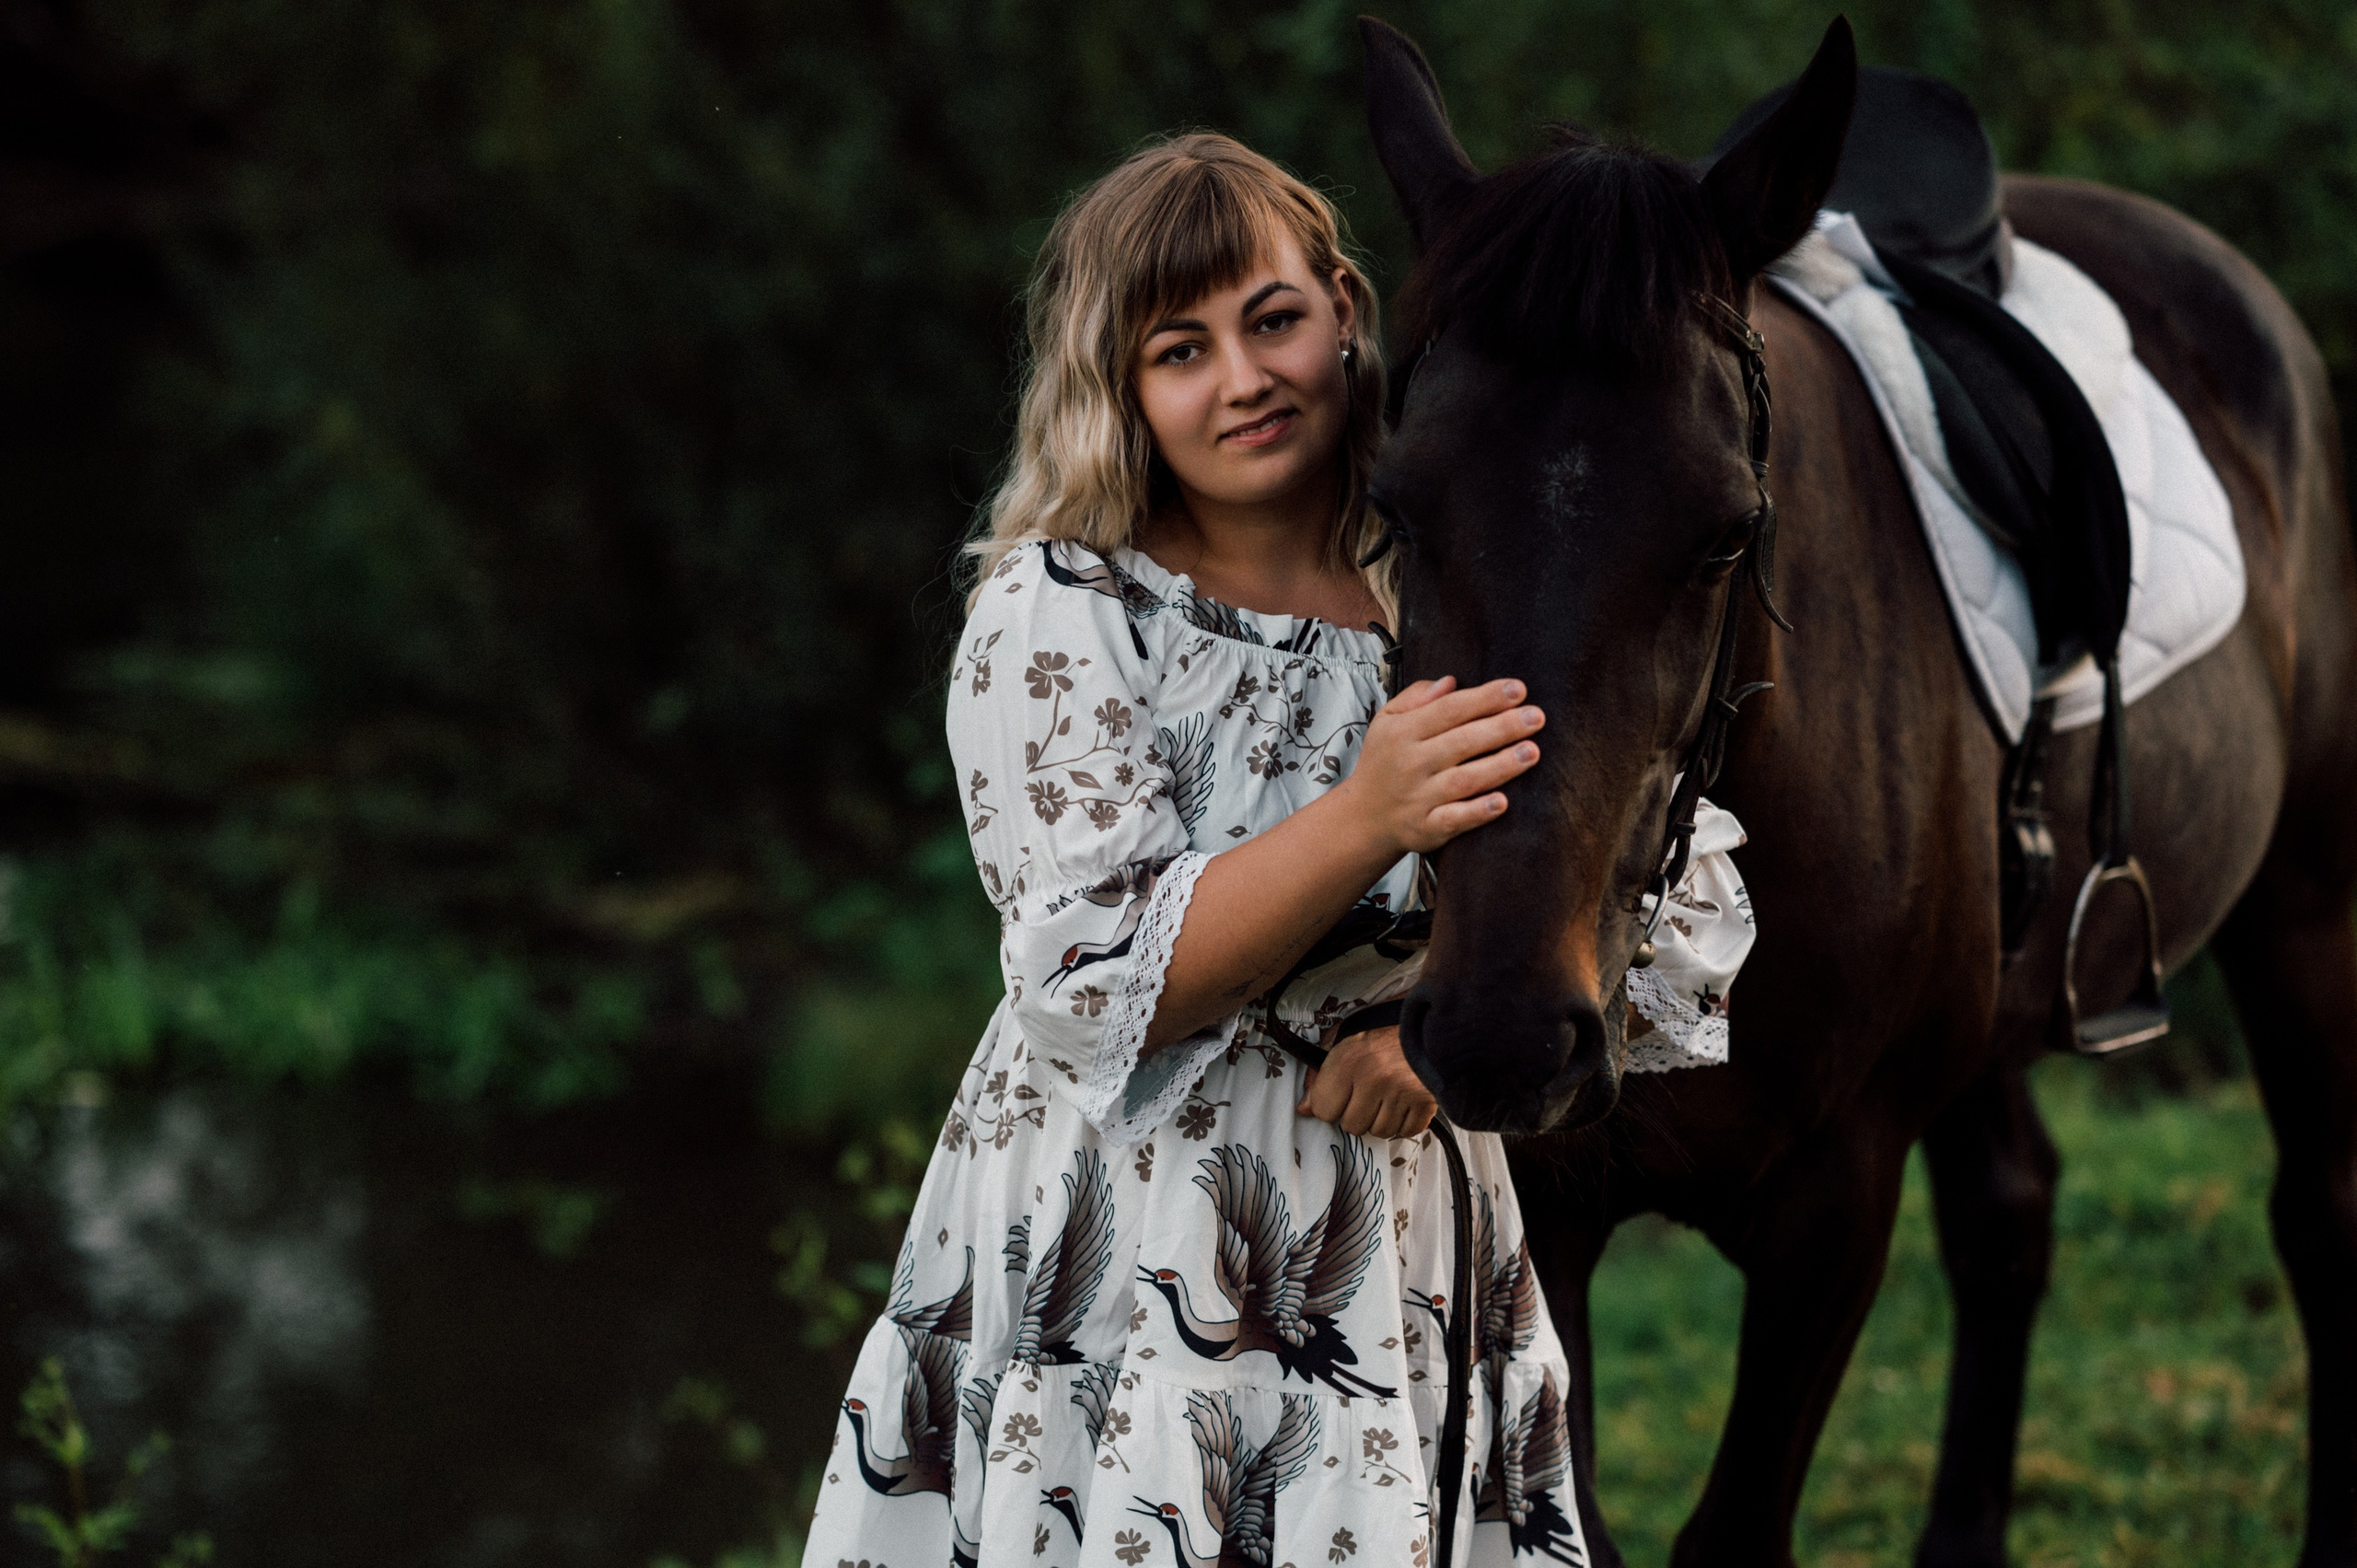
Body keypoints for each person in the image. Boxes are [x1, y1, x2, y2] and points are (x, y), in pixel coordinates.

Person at [806, 133, 1750, 1568]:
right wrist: (1367, 815)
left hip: (1387, 1236)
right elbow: (1096, 985)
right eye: (1179, 350)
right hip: (1130, 1223)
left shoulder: (1436, 583)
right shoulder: (1063, 611)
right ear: (1115, 389)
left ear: (1349, 316)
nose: (1243, 379)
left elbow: (1640, 872)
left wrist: (1428, 1028)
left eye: (1275, 320)